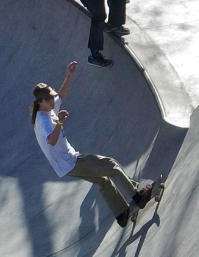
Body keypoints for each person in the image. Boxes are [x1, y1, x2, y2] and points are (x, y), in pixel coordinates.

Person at [31, 61, 153, 227]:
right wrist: (59, 123)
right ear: (41, 102)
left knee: (103, 181)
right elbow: (51, 141)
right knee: (111, 165)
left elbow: (62, 96)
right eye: (50, 99)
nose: (54, 101)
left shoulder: (47, 108)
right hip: (71, 162)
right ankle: (138, 196)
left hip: (65, 167)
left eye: (52, 98)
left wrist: (68, 76)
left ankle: (121, 215)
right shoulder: (43, 121)